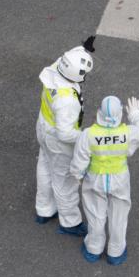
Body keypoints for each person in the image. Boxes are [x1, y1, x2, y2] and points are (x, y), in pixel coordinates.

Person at [69, 95, 139, 265]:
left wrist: (77, 176)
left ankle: (93, 249)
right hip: (119, 179)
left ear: (99, 112)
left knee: (95, 214)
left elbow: (79, 160)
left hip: (95, 180)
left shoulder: (88, 134)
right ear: (120, 113)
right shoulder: (126, 133)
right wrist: (135, 115)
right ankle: (115, 252)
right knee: (119, 216)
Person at [35, 36, 96, 237]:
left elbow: (70, 59)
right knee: (64, 179)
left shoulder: (56, 70)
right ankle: (69, 222)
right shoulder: (67, 101)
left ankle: (44, 209)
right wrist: (86, 137)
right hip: (58, 139)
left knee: (44, 166)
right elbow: (65, 133)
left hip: (44, 126)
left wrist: (83, 48)